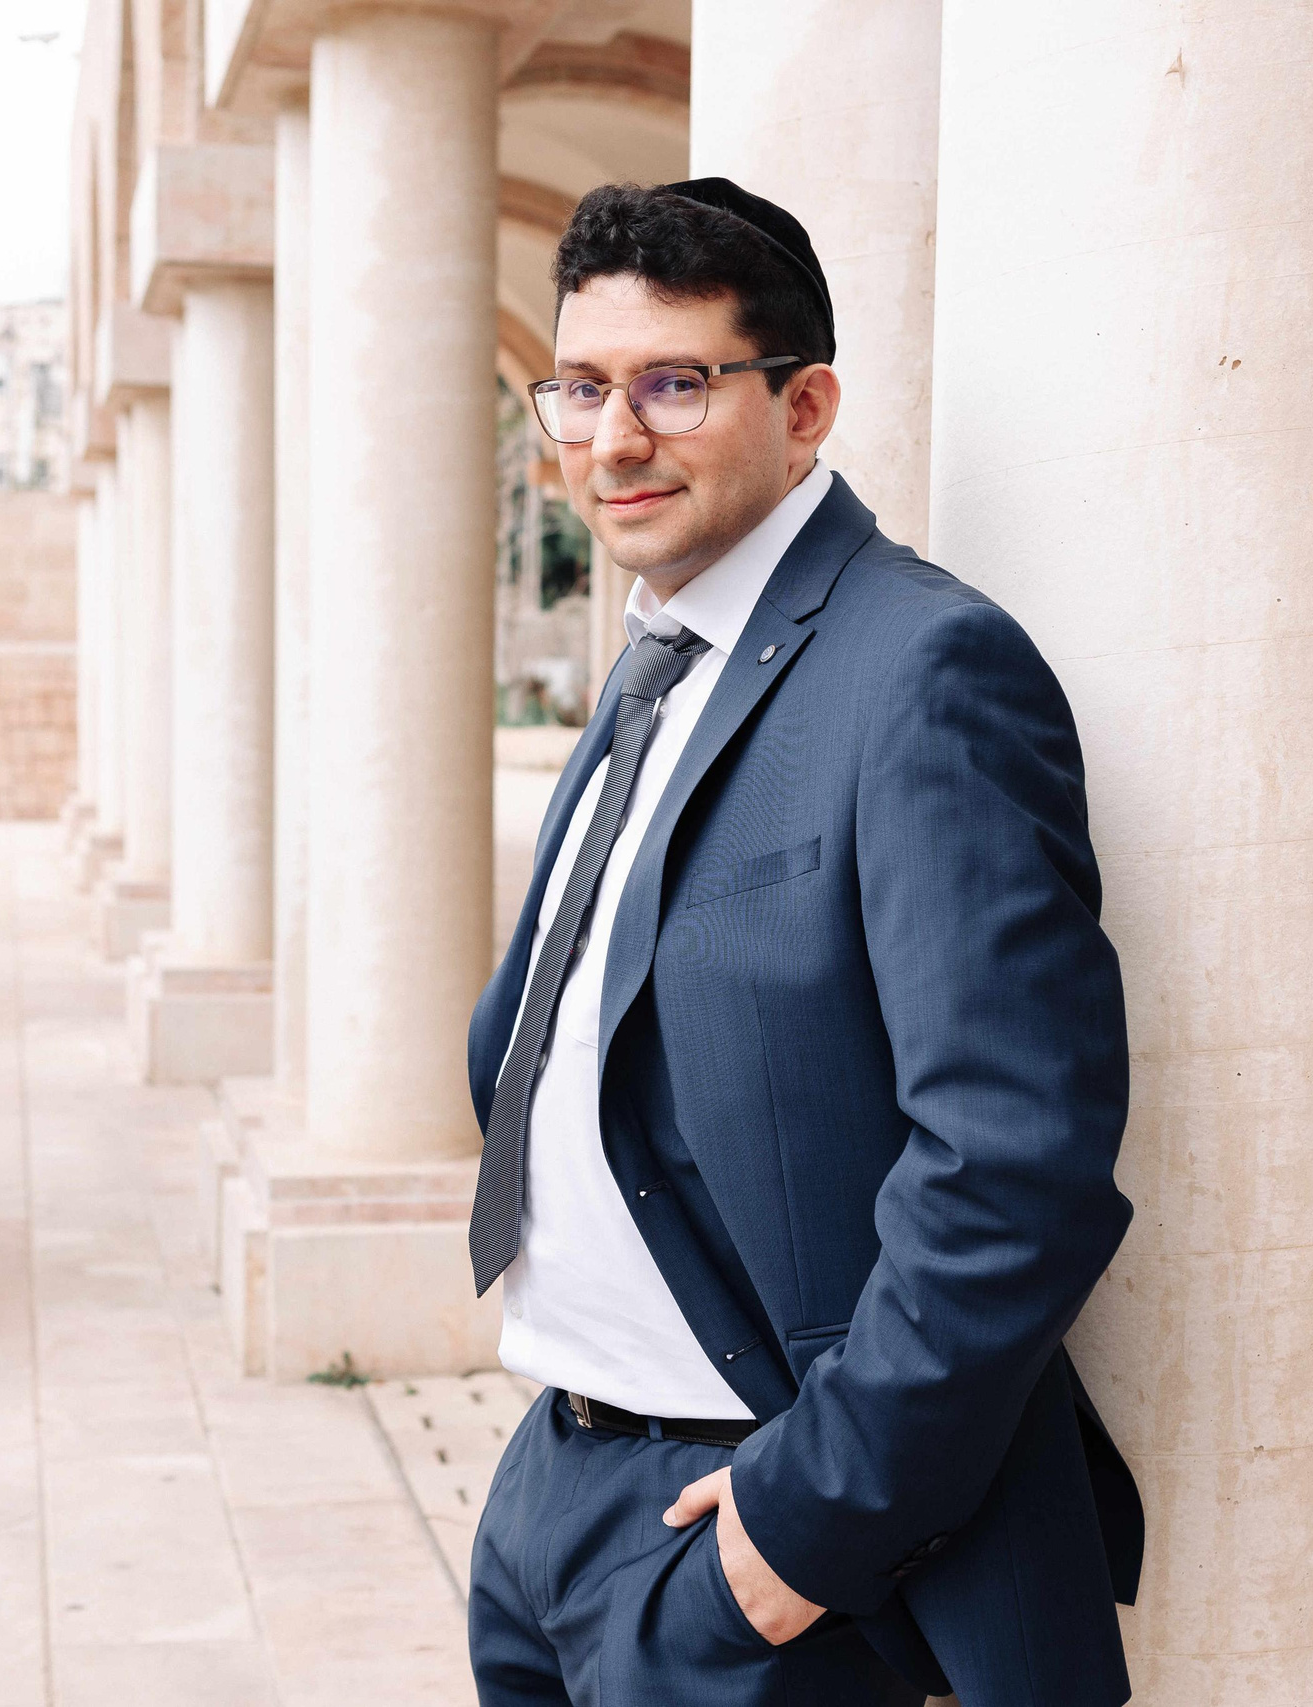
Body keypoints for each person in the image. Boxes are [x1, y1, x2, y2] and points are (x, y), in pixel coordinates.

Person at [462, 177, 1144, 1707]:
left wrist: (807, 1527)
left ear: (806, 403)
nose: (613, 438)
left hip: (764, 1543)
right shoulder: (658, 657)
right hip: (557, 1486)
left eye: (675, 383)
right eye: (580, 388)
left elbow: (1015, 1162)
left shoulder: (922, 670)